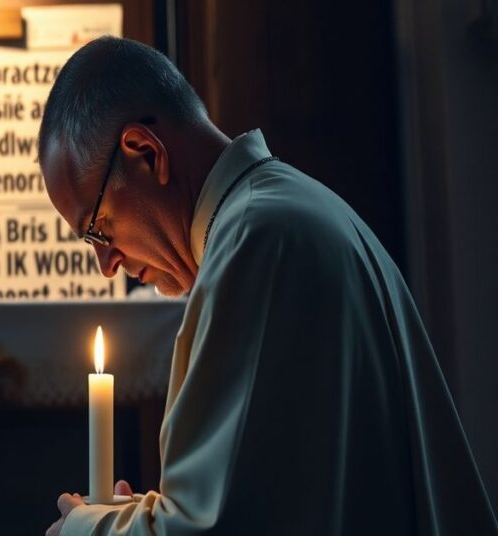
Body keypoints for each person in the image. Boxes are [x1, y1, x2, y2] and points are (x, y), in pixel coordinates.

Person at [40, 36, 497, 536]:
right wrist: (138, 518)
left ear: (146, 153)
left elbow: (221, 528)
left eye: (98, 228)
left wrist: (86, 529)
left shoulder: (257, 240)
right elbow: (285, 494)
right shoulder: (282, 212)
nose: (107, 263)